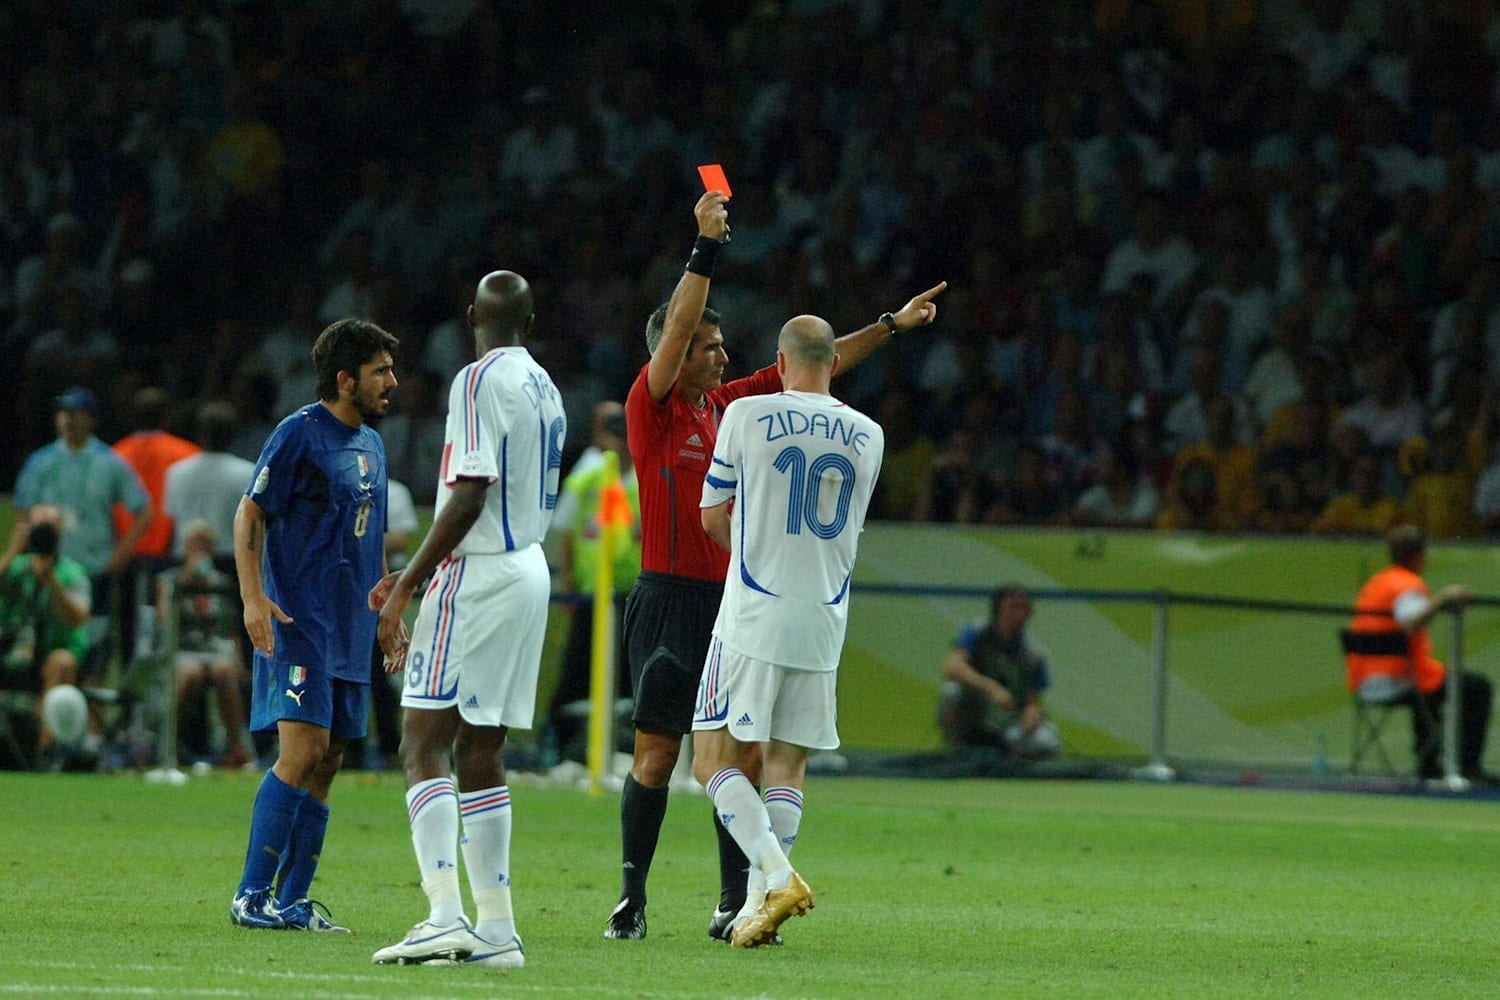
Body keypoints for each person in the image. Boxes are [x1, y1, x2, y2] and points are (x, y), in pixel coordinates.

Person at [604, 190, 944, 942]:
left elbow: (813, 367)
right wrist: (705, 250)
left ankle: (740, 902)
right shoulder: (651, 405)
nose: (723, 356)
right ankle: (632, 900)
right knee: (659, 755)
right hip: (667, 598)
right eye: (708, 345)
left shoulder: (729, 409)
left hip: (733, 600)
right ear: (675, 350)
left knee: (738, 755)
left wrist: (889, 325)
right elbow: (759, 350)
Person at [368, 270, 564, 970]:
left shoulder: (478, 379)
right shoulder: (545, 385)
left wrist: (406, 588)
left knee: (421, 740)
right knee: (482, 748)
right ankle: (499, 931)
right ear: (530, 319)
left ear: (470, 314)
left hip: (478, 575)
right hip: (527, 568)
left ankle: (445, 913)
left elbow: (470, 492)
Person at [689, 313, 884, 948]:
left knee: (711, 758)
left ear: (779, 359)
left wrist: (751, 546)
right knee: (787, 763)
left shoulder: (747, 415)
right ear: (832, 362)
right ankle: (754, 912)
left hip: (753, 612)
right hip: (825, 617)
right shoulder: (870, 435)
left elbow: (713, 514)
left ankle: (775, 875)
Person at [228, 318, 399, 933]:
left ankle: (294, 901)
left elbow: (370, 535)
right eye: (380, 370)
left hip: (352, 624)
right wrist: (252, 599)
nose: (392, 382)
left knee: (329, 761)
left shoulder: (373, 446)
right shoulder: (298, 434)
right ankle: (251, 895)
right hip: (299, 618)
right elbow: (250, 511)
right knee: (301, 750)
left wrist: (386, 610)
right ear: (345, 378)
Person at [14, 386, 153, 670]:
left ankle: (92, 699)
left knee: (94, 643)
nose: (66, 420)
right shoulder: (41, 462)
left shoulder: (110, 462)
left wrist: (122, 553)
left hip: (94, 568)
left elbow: (144, 510)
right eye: (62, 413)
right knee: (42, 640)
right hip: (52, 569)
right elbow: (23, 513)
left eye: (74, 413)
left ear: (90, 419)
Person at [1345, 525, 1492, 781]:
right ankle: (1468, 767)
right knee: (1477, 687)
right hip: (1400, 678)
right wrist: (1442, 599)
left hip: (1364, 680)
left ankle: (1429, 762)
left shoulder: (1376, 583)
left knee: (1437, 690)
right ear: (1419, 555)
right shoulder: (1406, 585)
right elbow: (1411, 621)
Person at [546, 403, 639, 764]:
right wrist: (569, 580)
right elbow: (566, 531)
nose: (621, 443)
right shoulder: (588, 479)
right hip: (592, 595)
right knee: (578, 671)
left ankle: (624, 747)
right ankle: (564, 746)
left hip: (633, 591)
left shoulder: (646, 476)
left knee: (630, 676)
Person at [0, 507, 91, 765]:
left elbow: (77, 619)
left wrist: (50, 580)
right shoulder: (14, 566)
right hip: (10, 650)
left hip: (49, 654)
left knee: (62, 661)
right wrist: (12, 552)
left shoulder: (72, 572)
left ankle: (44, 752)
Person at [936, 585, 1063, 759]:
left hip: (1008, 716)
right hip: (975, 708)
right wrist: (990, 688)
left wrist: (1032, 714)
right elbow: (952, 666)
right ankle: (957, 749)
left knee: (1047, 741)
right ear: (997, 609)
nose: (1019, 614)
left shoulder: (1033, 654)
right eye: (1013, 607)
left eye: (1024, 608)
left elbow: (1033, 700)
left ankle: (1009, 756)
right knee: (952, 691)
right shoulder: (978, 631)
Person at [161, 519, 248, 769]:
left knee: (224, 670)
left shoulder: (221, 584)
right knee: (190, 673)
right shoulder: (171, 581)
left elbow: (231, 629)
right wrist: (186, 585)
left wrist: (239, 661)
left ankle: (235, 748)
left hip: (214, 649)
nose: (199, 551)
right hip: (180, 650)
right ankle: (170, 746)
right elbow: (165, 624)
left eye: (205, 545)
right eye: (194, 545)